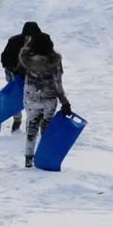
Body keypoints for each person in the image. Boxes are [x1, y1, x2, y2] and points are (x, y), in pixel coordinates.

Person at [18, 32, 73, 168]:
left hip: (31, 98)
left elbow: (23, 54)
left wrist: (28, 44)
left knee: (31, 128)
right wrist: (65, 102)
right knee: (46, 129)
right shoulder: (54, 61)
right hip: (49, 100)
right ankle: (44, 158)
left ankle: (28, 159)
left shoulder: (26, 59)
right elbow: (57, 83)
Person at [0, 21, 47, 132]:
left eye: (32, 36)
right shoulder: (13, 42)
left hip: (34, 77)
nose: (29, 39)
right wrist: (11, 68)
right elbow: (4, 58)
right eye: (27, 36)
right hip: (14, 75)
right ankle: (17, 120)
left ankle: (33, 122)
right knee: (16, 98)